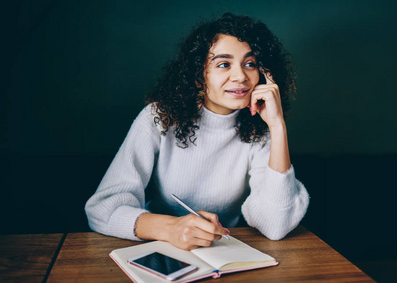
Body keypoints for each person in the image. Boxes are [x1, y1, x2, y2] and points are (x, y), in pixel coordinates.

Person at [85, 13, 309, 250]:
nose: (241, 76)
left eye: (250, 64)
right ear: (197, 75)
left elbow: (276, 225)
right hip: (160, 249)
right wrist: (172, 229)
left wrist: (277, 127)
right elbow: (102, 210)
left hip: (224, 254)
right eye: (224, 64)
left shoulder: (259, 129)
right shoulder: (158, 117)